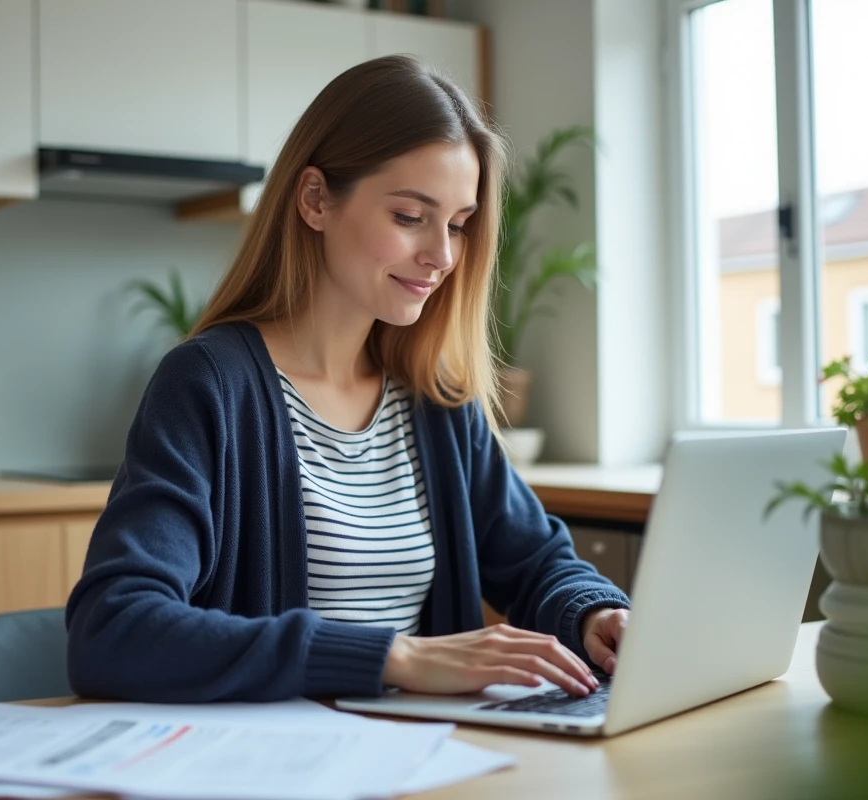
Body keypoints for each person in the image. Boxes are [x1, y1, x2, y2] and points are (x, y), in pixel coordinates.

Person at [66, 54, 631, 704]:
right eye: (410, 217)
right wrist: (397, 657)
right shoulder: (210, 386)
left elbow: (535, 563)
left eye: (457, 225)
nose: (443, 256)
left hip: (431, 762)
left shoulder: (435, 401)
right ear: (314, 200)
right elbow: (113, 630)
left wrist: (595, 615)